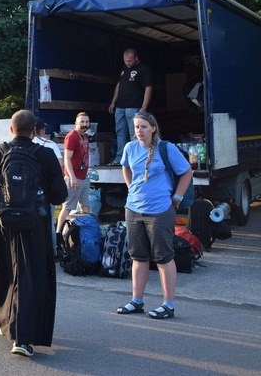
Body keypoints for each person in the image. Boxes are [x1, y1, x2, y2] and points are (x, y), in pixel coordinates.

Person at [0, 110, 67, 357]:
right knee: (30, 277)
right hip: (35, 225)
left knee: (4, 271)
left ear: (11, 129)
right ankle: (23, 338)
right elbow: (60, 195)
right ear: (35, 131)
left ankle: (5, 321)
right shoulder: (45, 155)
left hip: (1, 224)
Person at [116, 112, 192, 320]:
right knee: (138, 257)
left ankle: (168, 305)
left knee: (163, 257)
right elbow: (125, 167)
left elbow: (186, 172)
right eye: (136, 127)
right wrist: (131, 189)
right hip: (133, 209)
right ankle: (136, 301)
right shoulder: (130, 148)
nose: (139, 131)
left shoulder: (166, 148)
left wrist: (176, 197)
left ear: (153, 128)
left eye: (143, 127)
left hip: (160, 210)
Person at [108, 48, 152, 166]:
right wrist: (113, 102)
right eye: (125, 61)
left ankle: (136, 158)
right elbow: (119, 84)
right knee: (120, 132)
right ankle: (119, 159)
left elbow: (148, 88)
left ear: (136, 58)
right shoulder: (124, 68)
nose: (127, 63)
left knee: (135, 132)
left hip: (134, 106)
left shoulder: (144, 69)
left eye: (130, 61)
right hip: (120, 106)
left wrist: (144, 106)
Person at [57, 112, 92, 235]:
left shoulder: (85, 136)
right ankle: (58, 233)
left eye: (87, 122)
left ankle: (86, 234)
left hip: (83, 177)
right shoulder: (72, 136)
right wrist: (72, 177)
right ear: (76, 123)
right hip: (74, 178)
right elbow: (66, 158)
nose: (84, 124)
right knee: (67, 208)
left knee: (86, 207)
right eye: (82, 122)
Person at [32, 117, 61, 252]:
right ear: (42, 131)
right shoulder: (50, 145)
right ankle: (52, 249)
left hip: (29, 190)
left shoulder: (24, 145)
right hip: (46, 190)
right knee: (49, 220)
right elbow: (60, 166)